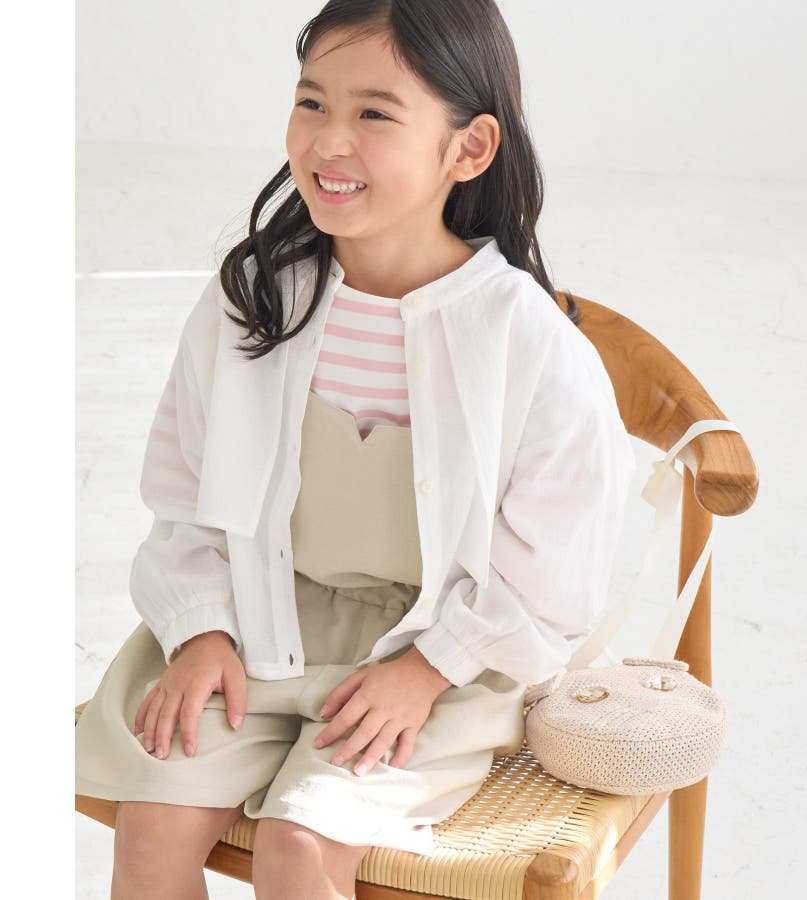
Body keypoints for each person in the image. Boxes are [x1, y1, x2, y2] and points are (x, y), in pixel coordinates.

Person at [74, 2, 637, 898]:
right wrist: (201, 630)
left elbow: (553, 569)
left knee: (299, 850)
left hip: (441, 655)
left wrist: (425, 671)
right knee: (151, 834)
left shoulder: (527, 342)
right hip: (256, 624)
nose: (329, 142)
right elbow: (183, 492)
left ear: (468, 148)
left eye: (374, 113)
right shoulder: (255, 298)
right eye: (312, 102)